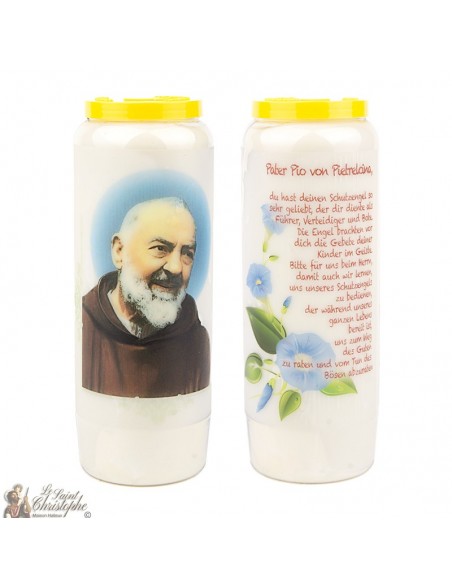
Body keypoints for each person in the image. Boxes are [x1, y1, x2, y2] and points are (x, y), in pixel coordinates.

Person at [82, 197, 210, 398]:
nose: (176, 268)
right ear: (119, 251)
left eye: (187, 253)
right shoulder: (83, 326)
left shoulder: (194, 339)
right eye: (160, 248)